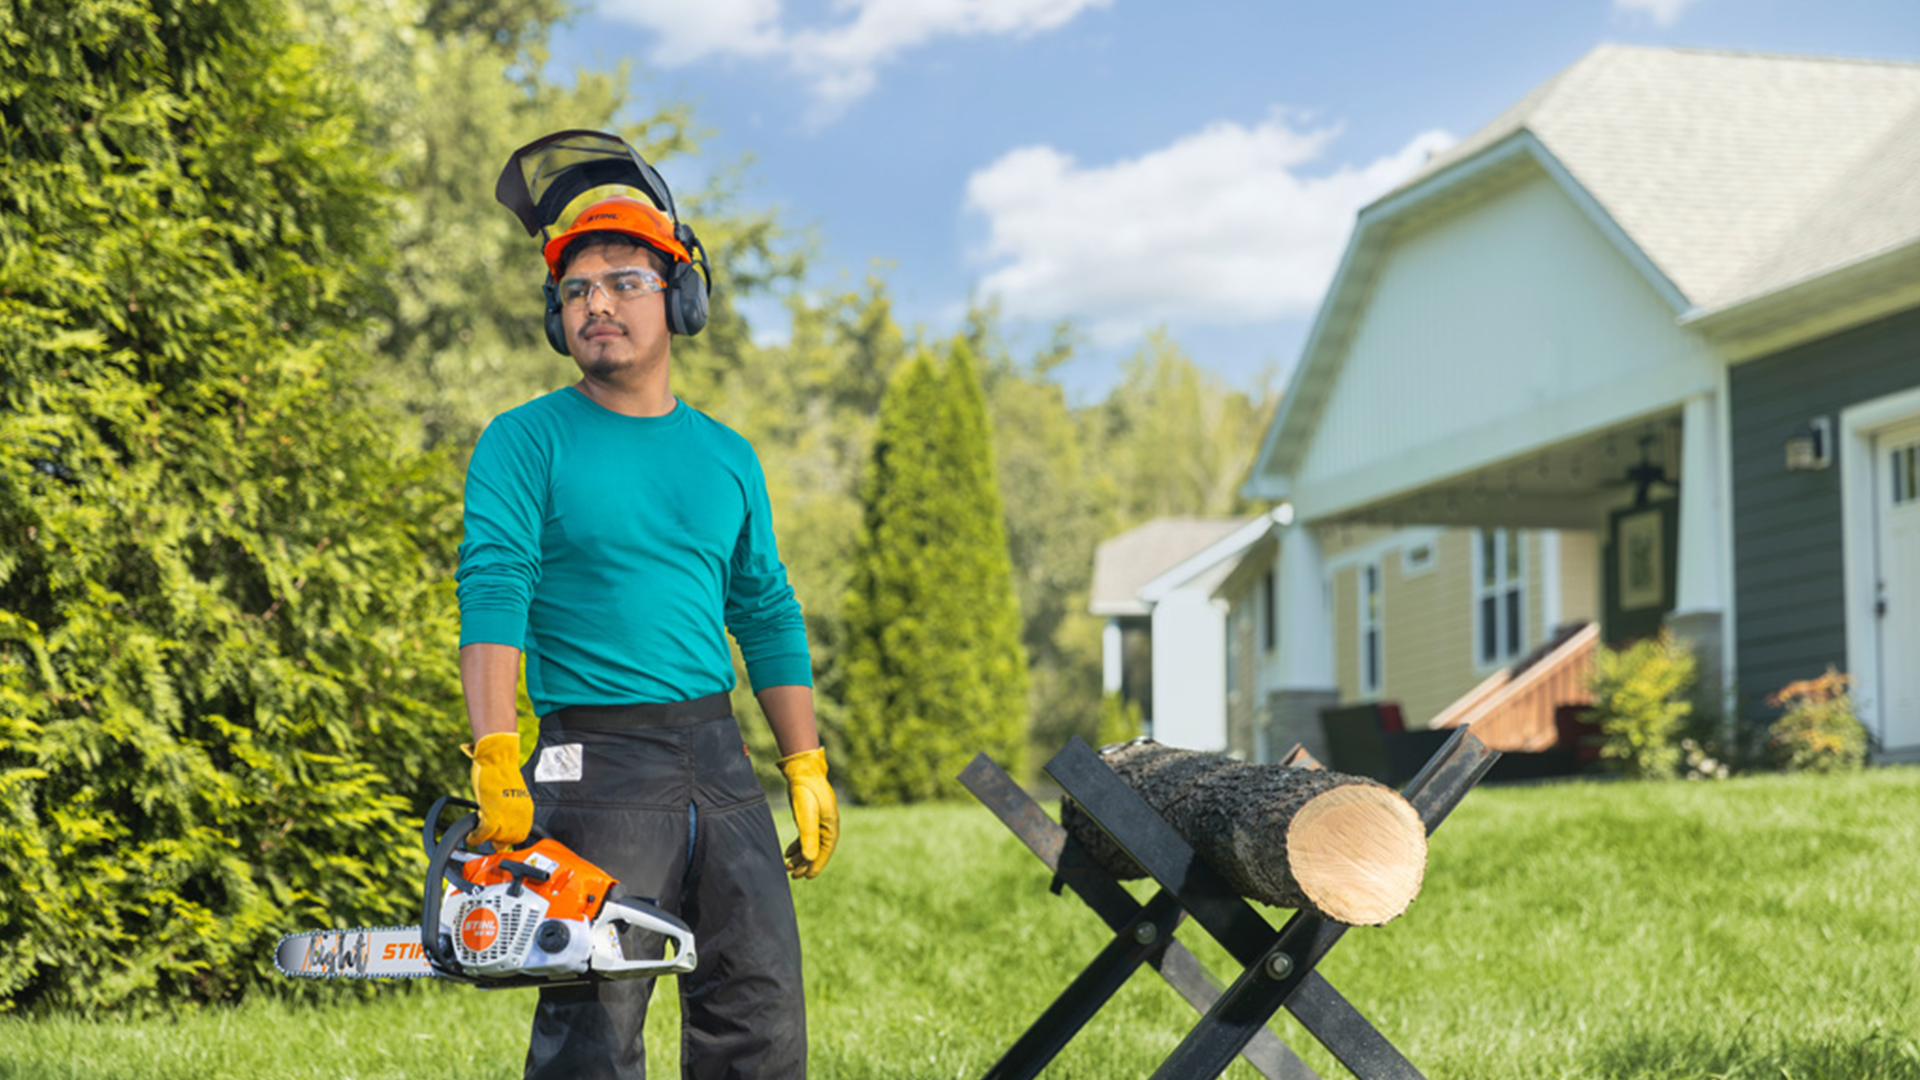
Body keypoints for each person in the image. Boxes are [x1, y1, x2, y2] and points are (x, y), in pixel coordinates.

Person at [454, 171, 834, 1079]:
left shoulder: (727, 456)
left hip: (721, 760)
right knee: (594, 1041)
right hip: (594, 772)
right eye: (577, 289)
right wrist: (495, 752)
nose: (597, 304)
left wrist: (805, 763)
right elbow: (495, 584)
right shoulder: (525, 439)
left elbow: (766, 608)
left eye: (625, 281)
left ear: (681, 298)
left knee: (762, 1022)